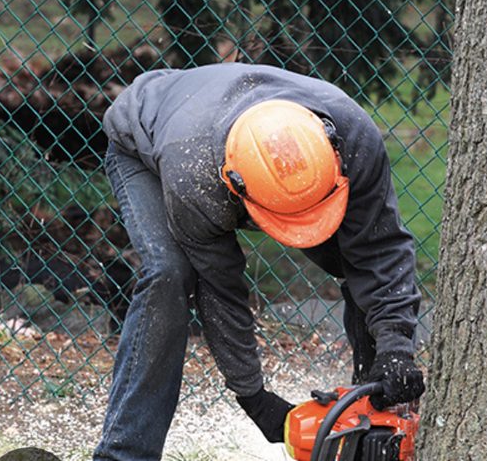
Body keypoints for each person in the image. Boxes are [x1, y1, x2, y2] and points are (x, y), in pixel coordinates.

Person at [93, 63, 424, 460]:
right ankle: (124, 452)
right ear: (237, 189)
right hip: (148, 141)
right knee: (170, 274)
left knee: (358, 255)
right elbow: (220, 289)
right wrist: (254, 397)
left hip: (226, 124)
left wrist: (396, 349)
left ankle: (377, 410)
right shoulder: (195, 178)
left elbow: (381, 250)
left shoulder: (355, 138)